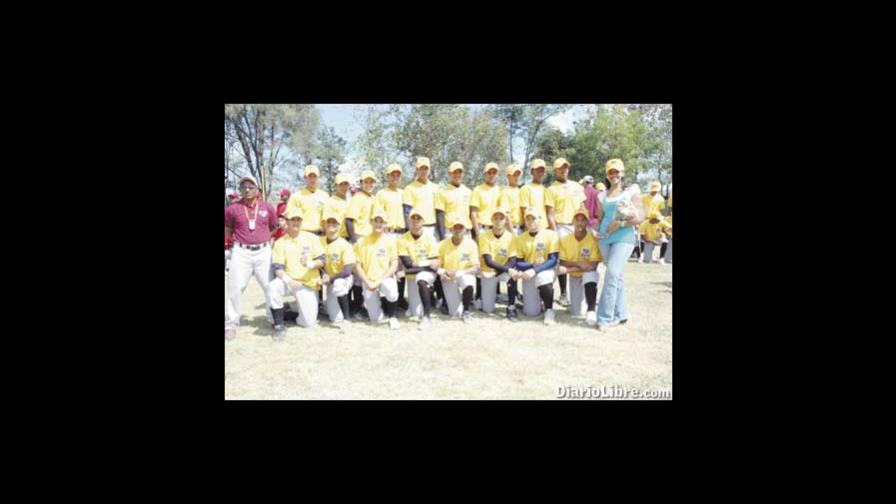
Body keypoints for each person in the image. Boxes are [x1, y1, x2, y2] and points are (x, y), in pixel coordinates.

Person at [224, 176, 279, 341]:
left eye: (250, 186)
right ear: (240, 190)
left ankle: (273, 318)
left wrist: (261, 239)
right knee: (235, 287)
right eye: (243, 187)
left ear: (257, 189)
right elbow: (228, 230)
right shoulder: (232, 209)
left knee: (270, 286)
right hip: (241, 252)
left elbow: (274, 227)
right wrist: (241, 241)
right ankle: (231, 323)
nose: (247, 189)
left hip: (263, 251)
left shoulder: (267, 207)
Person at [595, 159, 644, 331]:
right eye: (610, 172)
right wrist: (595, 232)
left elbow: (640, 217)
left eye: (617, 171)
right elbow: (600, 218)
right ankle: (622, 313)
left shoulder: (632, 192)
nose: (614, 175)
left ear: (622, 173)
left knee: (612, 273)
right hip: (604, 238)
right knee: (617, 277)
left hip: (624, 237)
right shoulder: (601, 195)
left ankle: (603, 318)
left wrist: (621, 223)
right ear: (606, 174)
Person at [268, 208, 326, 341]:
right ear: (287, 222)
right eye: (292, 219)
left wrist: (311, 264)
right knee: (273, 287)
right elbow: (278, 268)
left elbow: (322, 260)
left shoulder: (312, 238)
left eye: (298, 219)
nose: (296, 222)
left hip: (308, 283)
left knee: (308, 323)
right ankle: (278, 325)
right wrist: (288, 280)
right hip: (289, 282)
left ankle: (288, 311)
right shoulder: (280, 242)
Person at [546, 157, 586, 308]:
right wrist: (554, 232)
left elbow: (582, 207)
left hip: (578, 226)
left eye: (566, 167)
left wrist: (584, 226)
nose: (564, 170)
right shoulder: (551, 189)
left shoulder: (577, 186)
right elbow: (550, 213)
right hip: (561, 226)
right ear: (555, 171)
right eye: (560, 168)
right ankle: (563, 293)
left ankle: (578, 295)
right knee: (562, 260)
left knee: (578, 259)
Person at [508, 209, 559, 325]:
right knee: (531, 313)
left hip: (546, 269)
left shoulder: (551, 234)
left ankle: (549, 310)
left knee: (543, 277)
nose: (531, 222)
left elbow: (553, 260)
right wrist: (531, 266)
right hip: (528, 272)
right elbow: (518, 263)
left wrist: (535, 270)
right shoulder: (520, 238)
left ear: (540, 219)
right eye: (528, 219)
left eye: (534, 218)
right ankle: (538, 299)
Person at [353, 208, 401, 330]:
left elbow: (394, 264)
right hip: (368, 280)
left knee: (392, 292)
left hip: (384, 278)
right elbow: (357, 265)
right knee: (376, 319)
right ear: (371, 222)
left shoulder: (390, 241)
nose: (378, 224)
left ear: (385, 224)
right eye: (376, 221)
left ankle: (392, 316)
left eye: (381, 221)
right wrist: (368, 282)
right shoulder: (361, 241)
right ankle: (379, 306)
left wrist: (378, 281)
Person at [397, 208, 441, 331]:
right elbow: (408, 263)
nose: (416, 221)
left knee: (422, 278)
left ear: (423, 221)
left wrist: (419, 264)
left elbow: (434, 264)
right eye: (413, 218)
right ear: (409, 221)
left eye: (418, 218)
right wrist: (427, 263)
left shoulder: (430, 238)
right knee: (415, 312)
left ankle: (427, 317)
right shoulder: (402, 239)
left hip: (426, 274)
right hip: (412, 275)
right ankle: (425, 297)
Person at [559, 207, 602, 326]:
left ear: (587, 222)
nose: (579, 223)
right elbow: (562, 262)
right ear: (572, 222)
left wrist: (569, 268)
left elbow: (593, 265)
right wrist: (578, 264)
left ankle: (592, 310)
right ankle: (586, 303)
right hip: (574, 276)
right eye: (577, 220)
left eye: (583, 220)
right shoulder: (565, 240)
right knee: (576, 312)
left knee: (591, 274)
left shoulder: (592, 240)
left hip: (586, 274)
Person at [345, 170, 378, 318]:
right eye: (366, 182)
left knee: (365, 272)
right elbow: (349, 220)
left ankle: (360, 304)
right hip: (359, 237)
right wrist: (354, 241)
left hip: (370, 239)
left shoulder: (373, 198)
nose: (369, 184)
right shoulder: (358, 198)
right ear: (361, 183)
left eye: (371, 182)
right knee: (358, 274)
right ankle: (356, 306)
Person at [477, 206, 519, 321]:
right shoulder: (484, 236)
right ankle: (483, 298)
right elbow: (488, 261)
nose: (499, 221)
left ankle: (511, 306)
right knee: (488, 310)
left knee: (512, 275)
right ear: (491, 220)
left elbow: (512, 260)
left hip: (500, 271)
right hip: (488, 271)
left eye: (501, 218)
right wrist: (502, 270)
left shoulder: (511, 237)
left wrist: (501, 271)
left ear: (506, 220)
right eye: (496, 218)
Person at [470, 161, 502, 306]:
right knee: (481, 261)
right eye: (489, 172)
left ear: (497, 175)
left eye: (494, 172)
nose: (491, 175)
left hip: (496, 228)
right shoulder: (478, 190)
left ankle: (495, 293)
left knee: (496, 259)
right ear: (484, 174)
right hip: (482, 228)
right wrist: (477, 233)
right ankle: (478, 295)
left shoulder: (500, 190)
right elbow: (473, 213)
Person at [377, 163, 409, 310]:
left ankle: (400, 298)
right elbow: (378, 217)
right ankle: (386, 301)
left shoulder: (404, 193)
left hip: (401, 233)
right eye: (392, 174)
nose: (395, 177)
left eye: (398, 175)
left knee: (401, 267)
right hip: (388, 232)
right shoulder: (381, 194)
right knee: (387, 266)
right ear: (387, 176)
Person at [437, 217, 480, 323]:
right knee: (455, 313)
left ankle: (466, 310)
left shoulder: (471, 244)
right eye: (455, 227)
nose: (458, 230)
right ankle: (448, 301)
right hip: (448, 277)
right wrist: (442, 273)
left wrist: (461, 272)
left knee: (468, 281)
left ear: (465, 229)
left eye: (461, 227)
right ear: (451, 229)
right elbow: (435, 265)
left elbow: (476, 267)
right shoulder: (442, 244)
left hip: (463, 274)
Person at [320, 211, 356, 329]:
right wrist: (323, 276)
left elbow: (347, 271)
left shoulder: (345, 245)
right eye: (328, 222)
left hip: (343, 279)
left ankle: (347, 319)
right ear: (324, 224)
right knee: (335, 318)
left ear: (340, 226)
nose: (331, 224)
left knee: (339, 284)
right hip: (329, 280)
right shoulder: (319, 242)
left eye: (334, 222)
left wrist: (330, 278)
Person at [402, 157, 439, 242]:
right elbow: (407, 213)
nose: (423, 171)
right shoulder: (409, 188)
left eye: (426, 168)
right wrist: (410, 232)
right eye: (421, 168)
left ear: (430, 170)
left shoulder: (436, 188)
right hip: (417, 229)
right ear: (417, 170)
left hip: (433, 230)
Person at [286, 165, 329, 236]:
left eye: (314, 176)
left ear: (318, 178)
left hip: (321, 235)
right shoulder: (296, 196)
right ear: (305, 178)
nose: (312, 179)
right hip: (303, 234)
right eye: (309, 176)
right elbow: (289, 218)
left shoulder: (325, 196)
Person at [435, 161, 472, 241]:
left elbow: (471, 215)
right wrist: (442, 237)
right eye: (454, 172)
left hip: (465, 233)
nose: (457, 175)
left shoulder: (468, 192)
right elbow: (440, 215)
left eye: (460, 172)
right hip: (449, 233)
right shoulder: (442, 192)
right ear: (449, 174)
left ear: (463, 174)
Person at [519, 159, 548, 232]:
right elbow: (524, 211)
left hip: (544, 227)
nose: (540, 173)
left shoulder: (546, 190)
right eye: (537, 171)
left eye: (542, 171)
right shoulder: (525, 189)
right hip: (532, 228)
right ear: (532, 172)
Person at [322, 173, 352, 239]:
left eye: (346, 184)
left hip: (350, 238)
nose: (344, 187)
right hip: (336, 238)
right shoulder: (330, 202)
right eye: (341, 184)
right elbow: (326, 224)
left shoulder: (351, 201)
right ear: (336, 185)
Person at [500, 163, 524, 234]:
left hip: (522, 229)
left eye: (518, 175)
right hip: (511, 229)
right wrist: (512, 232)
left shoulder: (521, 191)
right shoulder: (505, 192)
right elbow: (506, 214)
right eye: (514, 175)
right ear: (508, 176)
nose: (517, 177)